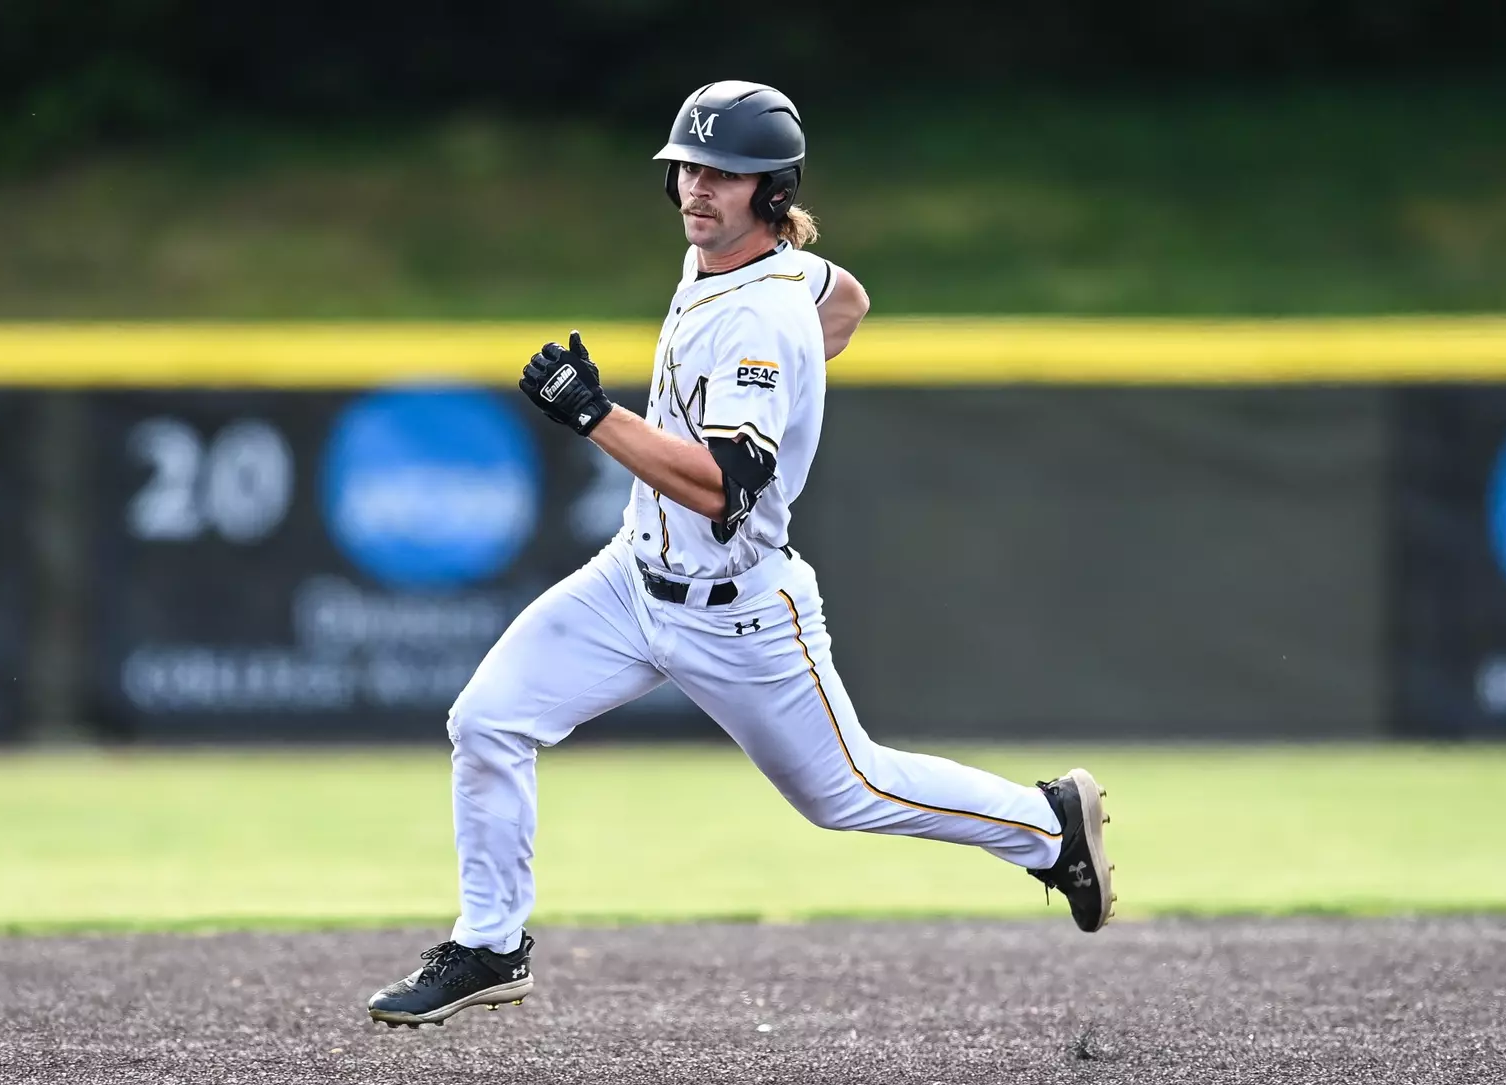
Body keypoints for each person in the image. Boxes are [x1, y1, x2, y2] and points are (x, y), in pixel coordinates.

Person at [367, 81, 1114, 1029]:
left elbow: (726, 485)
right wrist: (806, 372)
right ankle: (489, 944)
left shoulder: (759, 312)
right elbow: (847, 296)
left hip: (741, 611)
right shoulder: (762, 267)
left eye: (724, 173)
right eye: (688, 166)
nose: (696, 187)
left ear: (771, 190)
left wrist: (596, 416)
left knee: (850, 793)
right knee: (488, 721)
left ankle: (1047, 827)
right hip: (630, 584)